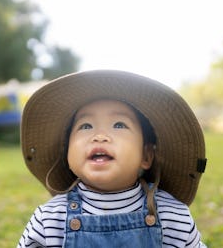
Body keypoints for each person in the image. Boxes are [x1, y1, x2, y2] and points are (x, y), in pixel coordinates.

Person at [18, 70, 208, 247]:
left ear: (146, 155)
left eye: (119, 124)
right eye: (85, 126)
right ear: (68, 152)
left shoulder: (172, 217)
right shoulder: (49, 220)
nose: (100, 135)